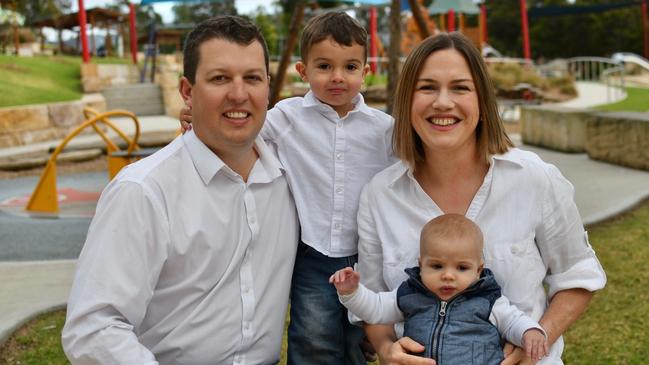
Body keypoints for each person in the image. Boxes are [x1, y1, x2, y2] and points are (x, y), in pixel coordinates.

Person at [355, 32, 607, 365]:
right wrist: (387, 348)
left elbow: (578, 276)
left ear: (482, 101)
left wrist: (535, 341)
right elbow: (374, 306)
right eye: (427, 87)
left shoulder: (534, 178)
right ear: (407, 101)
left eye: (460, 88)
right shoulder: (379, 196)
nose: (443, 102)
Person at [62, 16, 299, 364]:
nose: (239, 93)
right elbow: (93, 328)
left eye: (252, 78)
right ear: (188, 91)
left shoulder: (292, 175)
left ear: (268, 87)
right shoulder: (143, 191)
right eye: (220, 78)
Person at [180, 11, 395, 364]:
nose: (337, 77)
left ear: (366, 72)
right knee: (314, 334)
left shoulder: (383, 129)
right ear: (303, 70)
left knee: (359, 338)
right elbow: (241, 135)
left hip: (367, 255)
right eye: (324, 66)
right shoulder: (286, 118)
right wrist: (199, 119)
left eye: (350, 67)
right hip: (313, 253)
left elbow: (408, 172)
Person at [331, 214, 549, 364]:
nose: (448, 275)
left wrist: (530, 332)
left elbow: (512, 321)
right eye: (436, 266)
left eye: (462, 268)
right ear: (421, 264)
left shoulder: (487, 299)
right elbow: (375, 309)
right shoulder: (409, 294)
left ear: (478, 270)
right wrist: (352, 292)